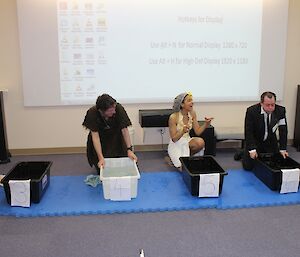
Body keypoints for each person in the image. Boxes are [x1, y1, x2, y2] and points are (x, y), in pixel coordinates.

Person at [82, 94, 137, 172]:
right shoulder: (92, 113)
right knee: (102, 167)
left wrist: (129, 149)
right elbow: (95, 137)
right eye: (110, 110)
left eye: (114, 108)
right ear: (101, 111)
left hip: (116, 136)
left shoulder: (118, 108)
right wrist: (101, 158)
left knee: (120, 167)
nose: (114, 111)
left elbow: (124, 130)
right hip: (100, 139)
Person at [242, 91, 288, 170]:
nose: (270, 107)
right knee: (249, 167)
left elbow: (283, 130)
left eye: (272, 105)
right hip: (256, 141)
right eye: (267, 105)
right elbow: (248, 132)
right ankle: (242, 153)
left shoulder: (280, 111)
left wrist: (283, 149)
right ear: (261, 103)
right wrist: (252, 149)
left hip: (271, 141)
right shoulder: (251, 111)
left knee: (275, 164)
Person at [167, 92, 213, 170]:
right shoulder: (173, 117)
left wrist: (206, 124)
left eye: (192, 100)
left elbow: (198, 132)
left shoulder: (192, 113)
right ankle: (174, 158)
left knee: (200, 142)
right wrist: (182, 131)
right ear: (182, 104)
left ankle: (187, 158)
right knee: (182, 168)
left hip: (187, 140)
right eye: (189, 100)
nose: (192, 102)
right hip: (176, 143)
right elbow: (174, 139)